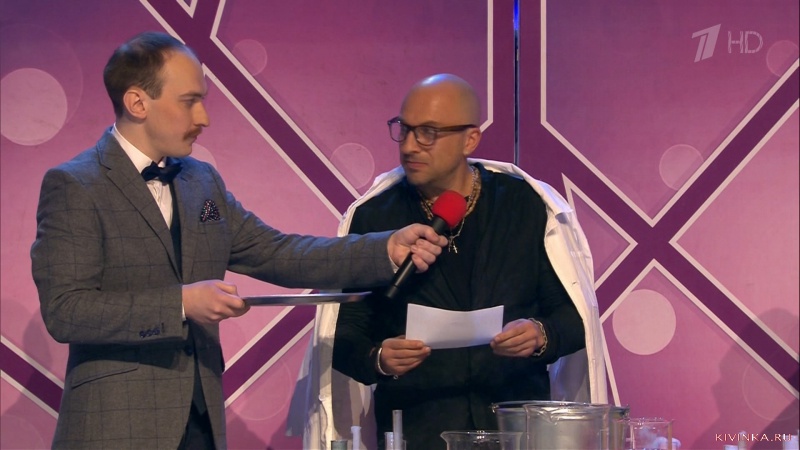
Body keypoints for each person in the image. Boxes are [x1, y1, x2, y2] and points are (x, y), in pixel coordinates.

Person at [30, 32, 446, 450]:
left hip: (200, 423)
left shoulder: (201, 181)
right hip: (115, 428)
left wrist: (382, 249)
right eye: (190, 101)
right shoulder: (76, 185)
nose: (204, 118)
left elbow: (279, 252)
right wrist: (180, 304)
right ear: (138, 103)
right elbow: (66, 310)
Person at [293, 74, 608, 449]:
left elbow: (575, 319)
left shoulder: (524, 204)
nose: (409, 146)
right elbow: (344, 335)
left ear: (470, 140)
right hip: (418, 426)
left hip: (515, 424)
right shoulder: (374, 216)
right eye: (404, 129)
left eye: (427, 133)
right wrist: (377, 358)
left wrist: (541, 334)